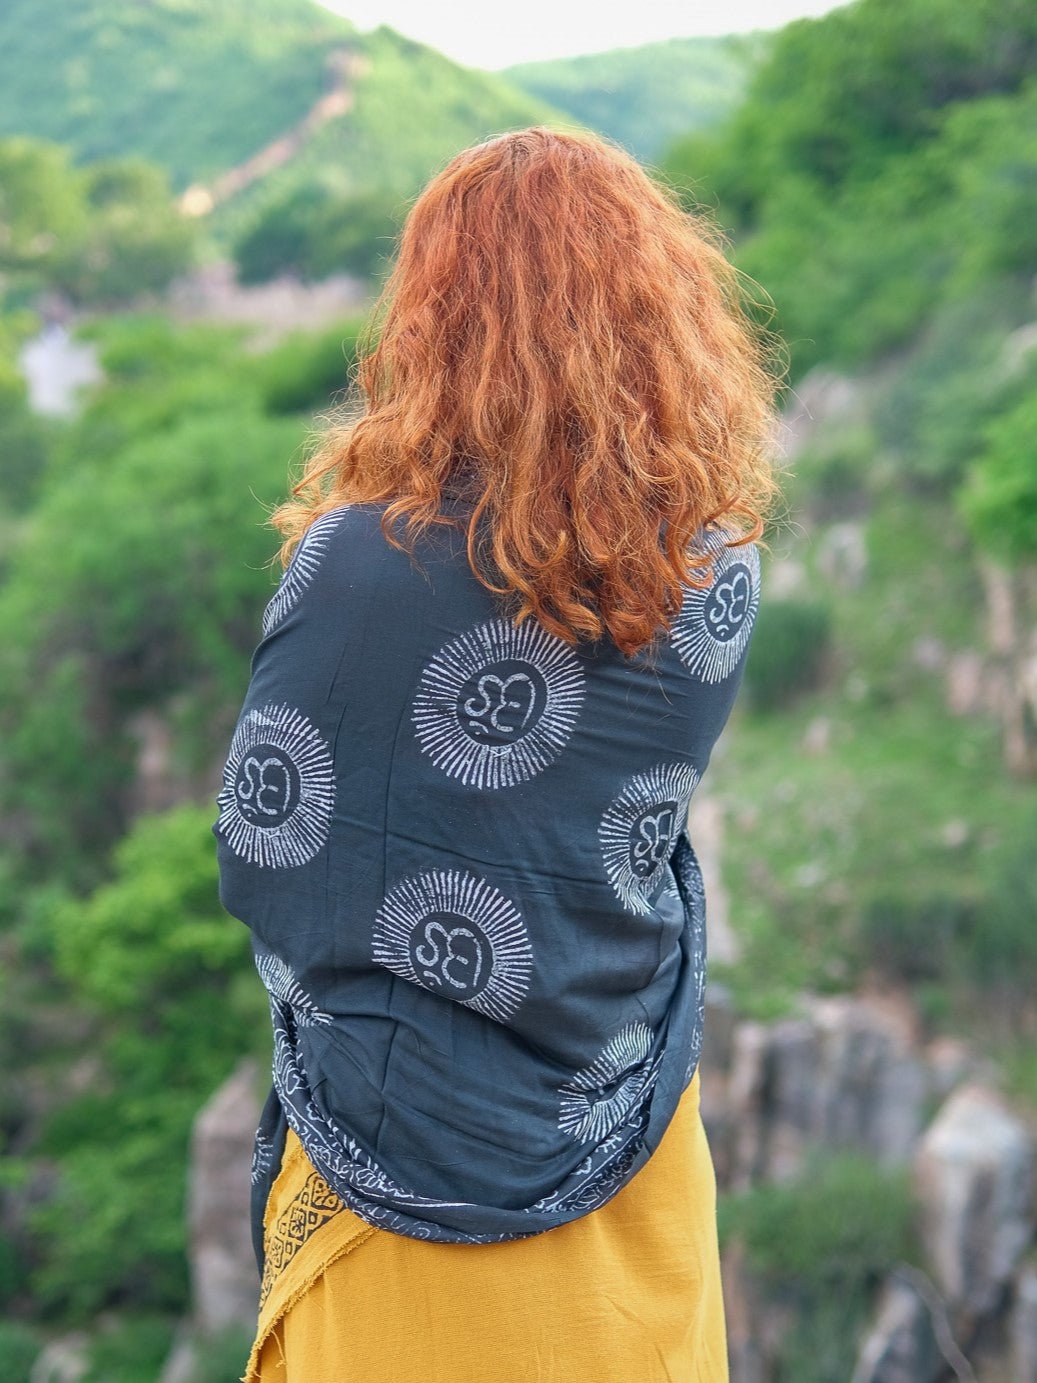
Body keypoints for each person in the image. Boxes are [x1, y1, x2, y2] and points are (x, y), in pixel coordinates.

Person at [214, 125, 779, 1383]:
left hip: (405, 1176)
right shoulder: (715, 562)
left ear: (435, 317)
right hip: (631, 1136)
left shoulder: (362, 561)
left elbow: (266, 845)